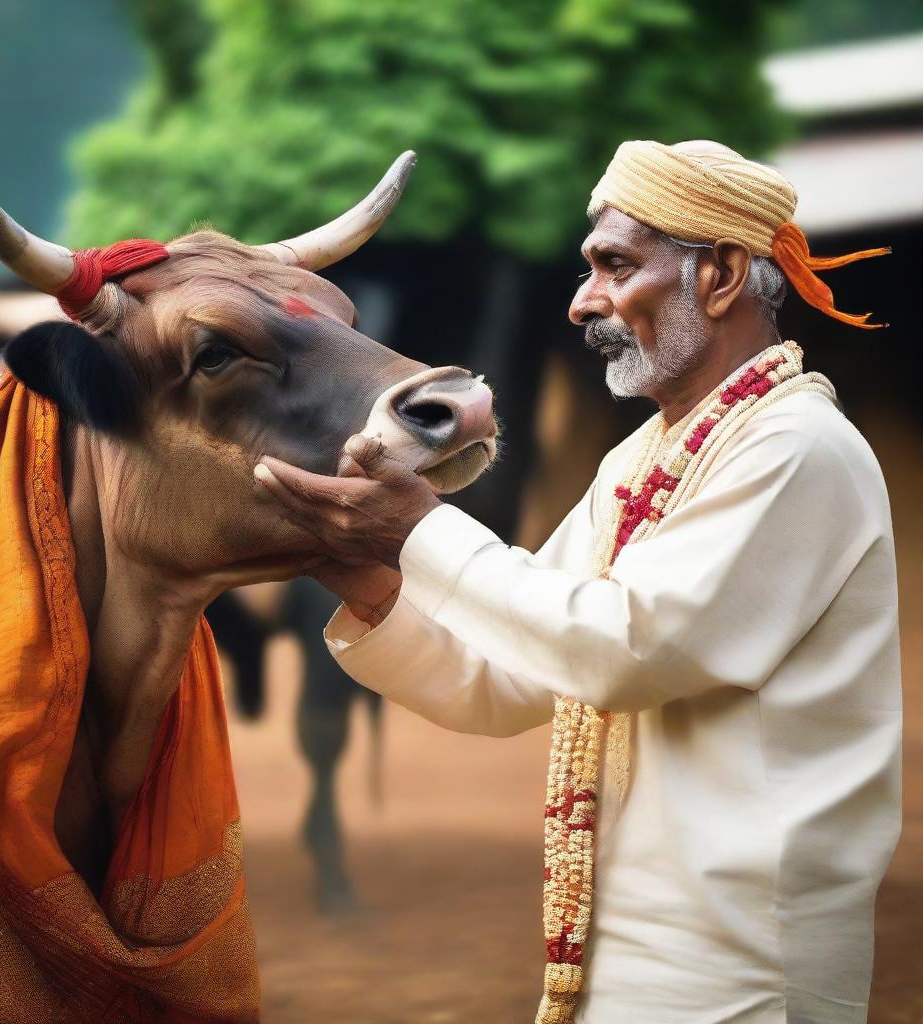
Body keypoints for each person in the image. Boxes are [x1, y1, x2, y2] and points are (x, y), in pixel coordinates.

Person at [253, 140, 902, 1024]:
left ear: (719, 276)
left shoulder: (798, 449)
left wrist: (416, 529)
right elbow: (508, 679)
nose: (582, 301)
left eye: (614, 265)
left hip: (749, 971)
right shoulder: (640, 460)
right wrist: (362, 572)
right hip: (618, 959)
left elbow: (620, 649)